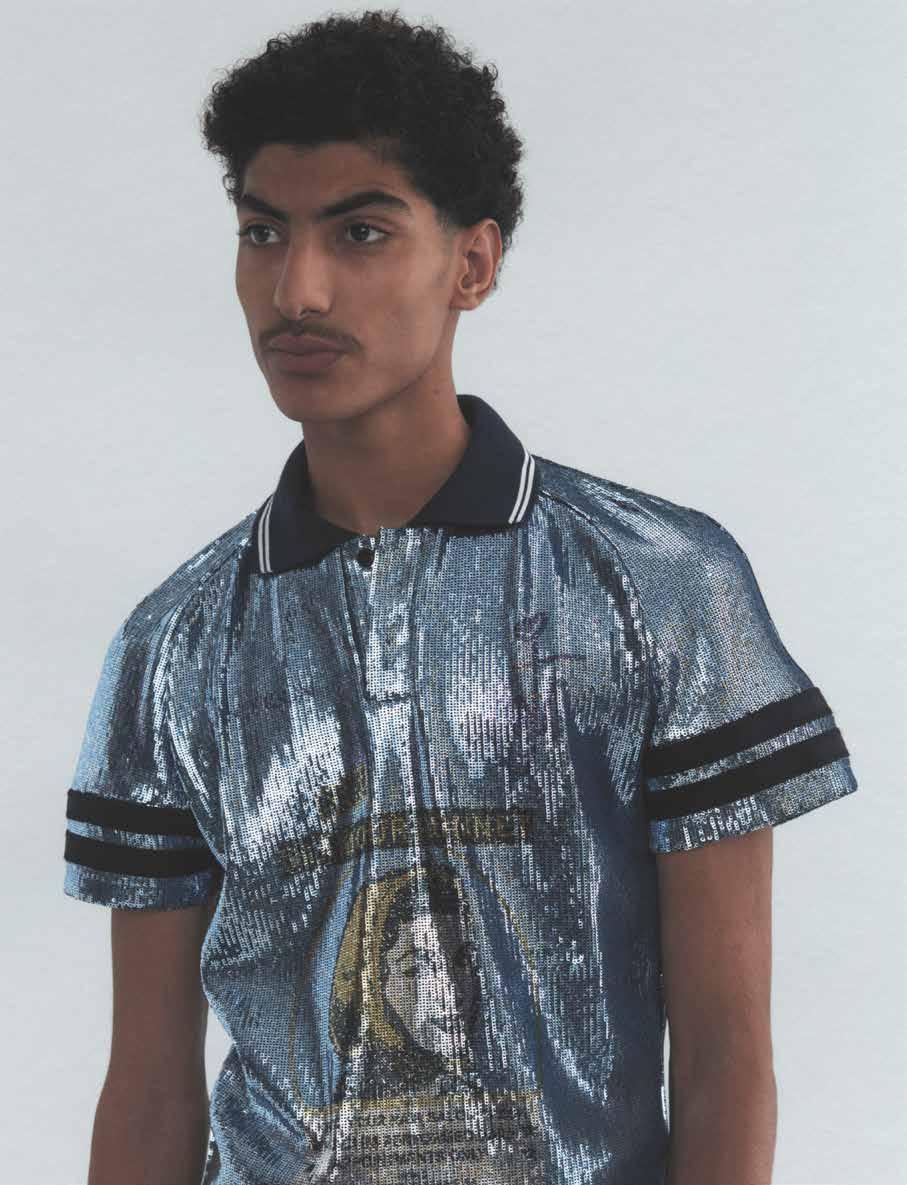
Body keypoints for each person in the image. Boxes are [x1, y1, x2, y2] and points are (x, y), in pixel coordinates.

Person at [62, 11, 859, 1185]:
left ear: (471, 265)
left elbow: (725, 1054)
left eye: (361, 232)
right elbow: (147, 1091)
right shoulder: (173, 645)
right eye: (263, 232)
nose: (297, 288)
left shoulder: (658, 584)